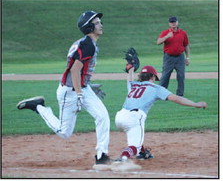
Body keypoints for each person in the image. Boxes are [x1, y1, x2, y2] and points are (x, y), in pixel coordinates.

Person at [17, 11, 111, 165]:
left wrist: (86, 86)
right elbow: (74, 70)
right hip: (70, 92)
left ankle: (101, 156)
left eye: (100, 21)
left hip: (80, 87)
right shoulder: (88, 45)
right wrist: (80, 93)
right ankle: (39, 107)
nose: (101, 25)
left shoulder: (87, 43)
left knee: (102, 116)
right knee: (64, 132)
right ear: (89, 27)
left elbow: (79, 71)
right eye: (97, 22)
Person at [115, 65, 207, 161]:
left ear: (141, 76)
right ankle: (123, 157)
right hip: (134, 118)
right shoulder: (156, 88)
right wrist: (196, 104)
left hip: (119, 117)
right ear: (153, 77)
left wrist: (131, 68)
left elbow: (129, 79)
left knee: (136, 133)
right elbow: (177, 98)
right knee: (135, 147)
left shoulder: (133, 85)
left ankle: (142, 153)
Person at [157, 16, 190, 96]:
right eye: (171, 22)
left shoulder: (183, 33)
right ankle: (161, 94)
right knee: (165, 76)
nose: (173, 24)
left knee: (181, 76)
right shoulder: (165, 32)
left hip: (180, 57)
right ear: (169, 24)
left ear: (177, 22)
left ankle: (180, 94)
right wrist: (167, 36)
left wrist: (187, 57)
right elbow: (158, 42)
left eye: (174, 22)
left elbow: (186, 45)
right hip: (169, 57)